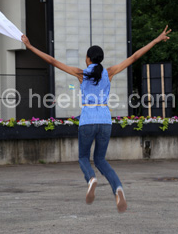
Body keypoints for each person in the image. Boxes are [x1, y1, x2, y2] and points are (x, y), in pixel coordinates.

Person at [21, 25, 171, 213]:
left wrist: (30, 46)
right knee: (100, 159)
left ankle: (91, 179)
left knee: (84, 157)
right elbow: (134, 57)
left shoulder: (81, 73)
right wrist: (156, 40)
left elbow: (52, 61)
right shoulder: (109, 72)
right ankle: (118, 188)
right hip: (105, 121)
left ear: (88, 59)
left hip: (88, 120)